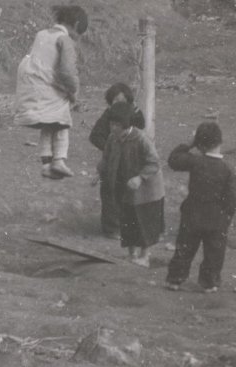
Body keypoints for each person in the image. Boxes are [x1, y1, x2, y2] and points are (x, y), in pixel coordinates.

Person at [16, 5, 88, 180]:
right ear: (76, 25)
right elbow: (66, 71)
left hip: (30, 87)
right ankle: (59, 160)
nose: (78, 38)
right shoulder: (65, 40)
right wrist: (73, 91)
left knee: (49, 123)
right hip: (44, 87)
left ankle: (46, 165)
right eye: (79, 33)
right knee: (62, 120)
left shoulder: (41, 34)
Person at [165, 122, 236, 293]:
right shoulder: (228, 169)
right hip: (217, 218)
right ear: (220, 141)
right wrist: (226, 216)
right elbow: (231, 197)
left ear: (200, 145)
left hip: (192, 214)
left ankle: (175, 280)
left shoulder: (195, 161)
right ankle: (209, 283)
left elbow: (173, 160)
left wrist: (189, 144)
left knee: (184, 248)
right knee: (214, 253)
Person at [98, 102, 165, 267]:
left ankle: (145, 256)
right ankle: (132, 254)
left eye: (117, 125)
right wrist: (99, 172)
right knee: (127, 221)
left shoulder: (141, 139)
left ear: (126, 124)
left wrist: (140, 178)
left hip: (146, 191)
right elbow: (106, 158)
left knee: (143, 223)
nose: (113, 128)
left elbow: (154, 163)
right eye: (111, 124)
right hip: (124, 187)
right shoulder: (112, 138)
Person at [89, 83, 146, 238]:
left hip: (131, 161)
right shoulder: (108, 115)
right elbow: (95, 136)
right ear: (110, 102)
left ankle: (129, 226)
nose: (119, 105)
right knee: (109, 192)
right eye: (116, 101)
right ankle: (111, 228)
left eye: (123, 101)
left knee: (129, 193)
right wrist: (110, 148)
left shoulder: (132, 112)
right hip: (112, 161)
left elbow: (141, 125)